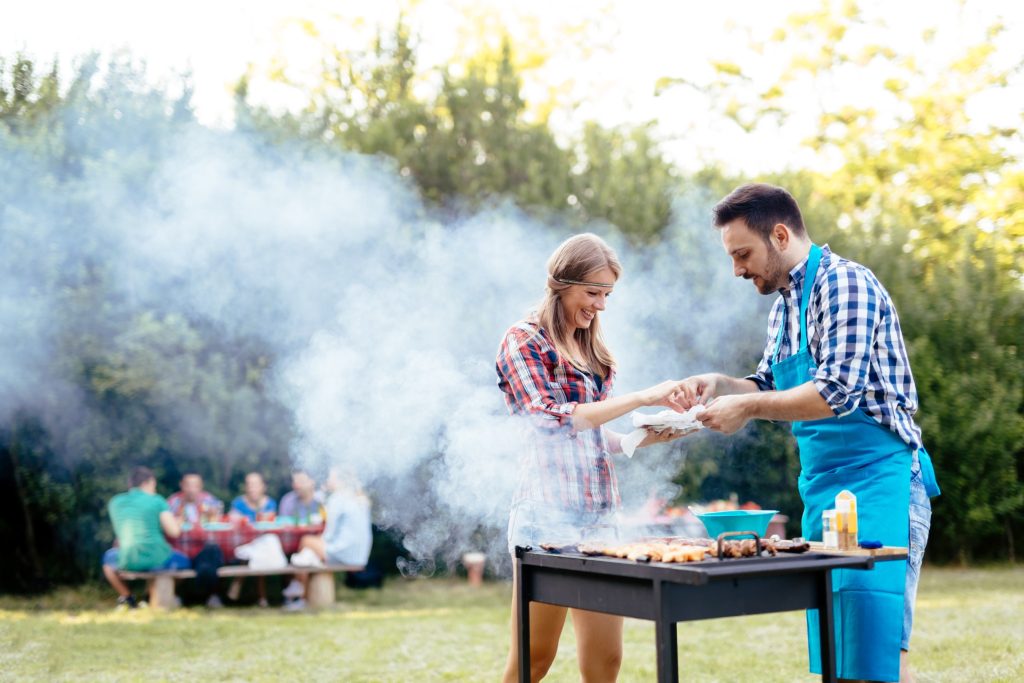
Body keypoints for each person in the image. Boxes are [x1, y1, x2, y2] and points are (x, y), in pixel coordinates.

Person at [678, 184, 941, 683]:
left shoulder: (846, 285)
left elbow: (836, 392)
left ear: (779, 235)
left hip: (880, 485)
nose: (737, 269)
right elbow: (766, 384)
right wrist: (720, 385)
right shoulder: (784, 307)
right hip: (824, 494)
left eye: (742, 254)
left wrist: (748, 407)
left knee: (875, 654)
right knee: (834, 653)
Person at [496, 233, 690, 683]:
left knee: (606, 662)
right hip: (546, 519)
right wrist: (641, 397)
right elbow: (550, 420)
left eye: (607, 295)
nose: (601, 305)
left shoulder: (592, 350)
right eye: (593, 293)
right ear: (561, 284)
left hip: (601, 519)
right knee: (533, 660)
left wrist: (640, 438)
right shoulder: (523, 341)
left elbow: (592, 432)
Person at [101, 466, 190, 608]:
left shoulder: (115, 502)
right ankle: (150, 597)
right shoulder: (157, 500)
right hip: (157, 557)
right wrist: (178, 523)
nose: (155, 489)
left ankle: (127, 598)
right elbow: (174, 532)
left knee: (108, 560)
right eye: (154, 485)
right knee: (186, 562)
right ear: (147, 483)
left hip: (127, 557)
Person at [284, 468, 373, 609]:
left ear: (340, 481)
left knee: (306, 541)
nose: (327, 480)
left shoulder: (338, 498)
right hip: (360, 554)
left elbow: (329, 534)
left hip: (343, 553)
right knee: (309, 553)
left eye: (331, 477)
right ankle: (301, 592)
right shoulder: (357, 497)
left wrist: (319, 539)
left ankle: (298, 588)